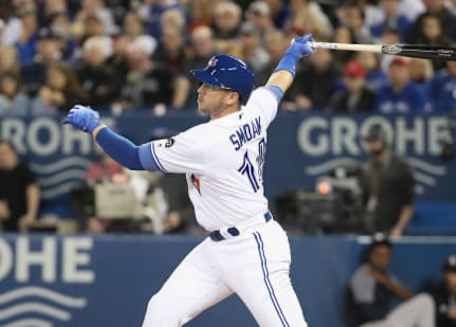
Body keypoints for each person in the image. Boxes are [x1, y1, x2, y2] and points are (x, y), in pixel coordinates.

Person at [64, 34, 315, 326]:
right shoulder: (255, 111)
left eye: (210, 85)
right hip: (217, 248)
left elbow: (133, 158)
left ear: (231, 96)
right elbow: (276, 86)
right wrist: (292, 56)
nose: (200, 89)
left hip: (253, 246)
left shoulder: (205, 140)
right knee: (161, 311)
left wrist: (96, 128)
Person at [347, 235, 435, 327]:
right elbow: (368, 314)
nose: (383, 259)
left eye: (386, 255)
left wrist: (388, 283)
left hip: (383, 323)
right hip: (368, 324)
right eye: (379, 254)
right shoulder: (362, 276)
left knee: (425, 301)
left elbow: (409, 296)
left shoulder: (386, 276)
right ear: (371, 255)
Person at [359, 124, 415, 236]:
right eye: (369, 141)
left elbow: (408, 204)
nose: (371, 144)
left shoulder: (400, 167)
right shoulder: (367, 168)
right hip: (371, 228)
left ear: (383, 140)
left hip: (393, 228)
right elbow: (365, 201)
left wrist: (399, 228)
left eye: (375, 140)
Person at [0, 139, 40, 232]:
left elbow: (33, 191)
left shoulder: (23, 171)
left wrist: (31, 215)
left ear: (13, 153)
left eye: (4, 153)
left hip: (22, 220)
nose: (2, 157)